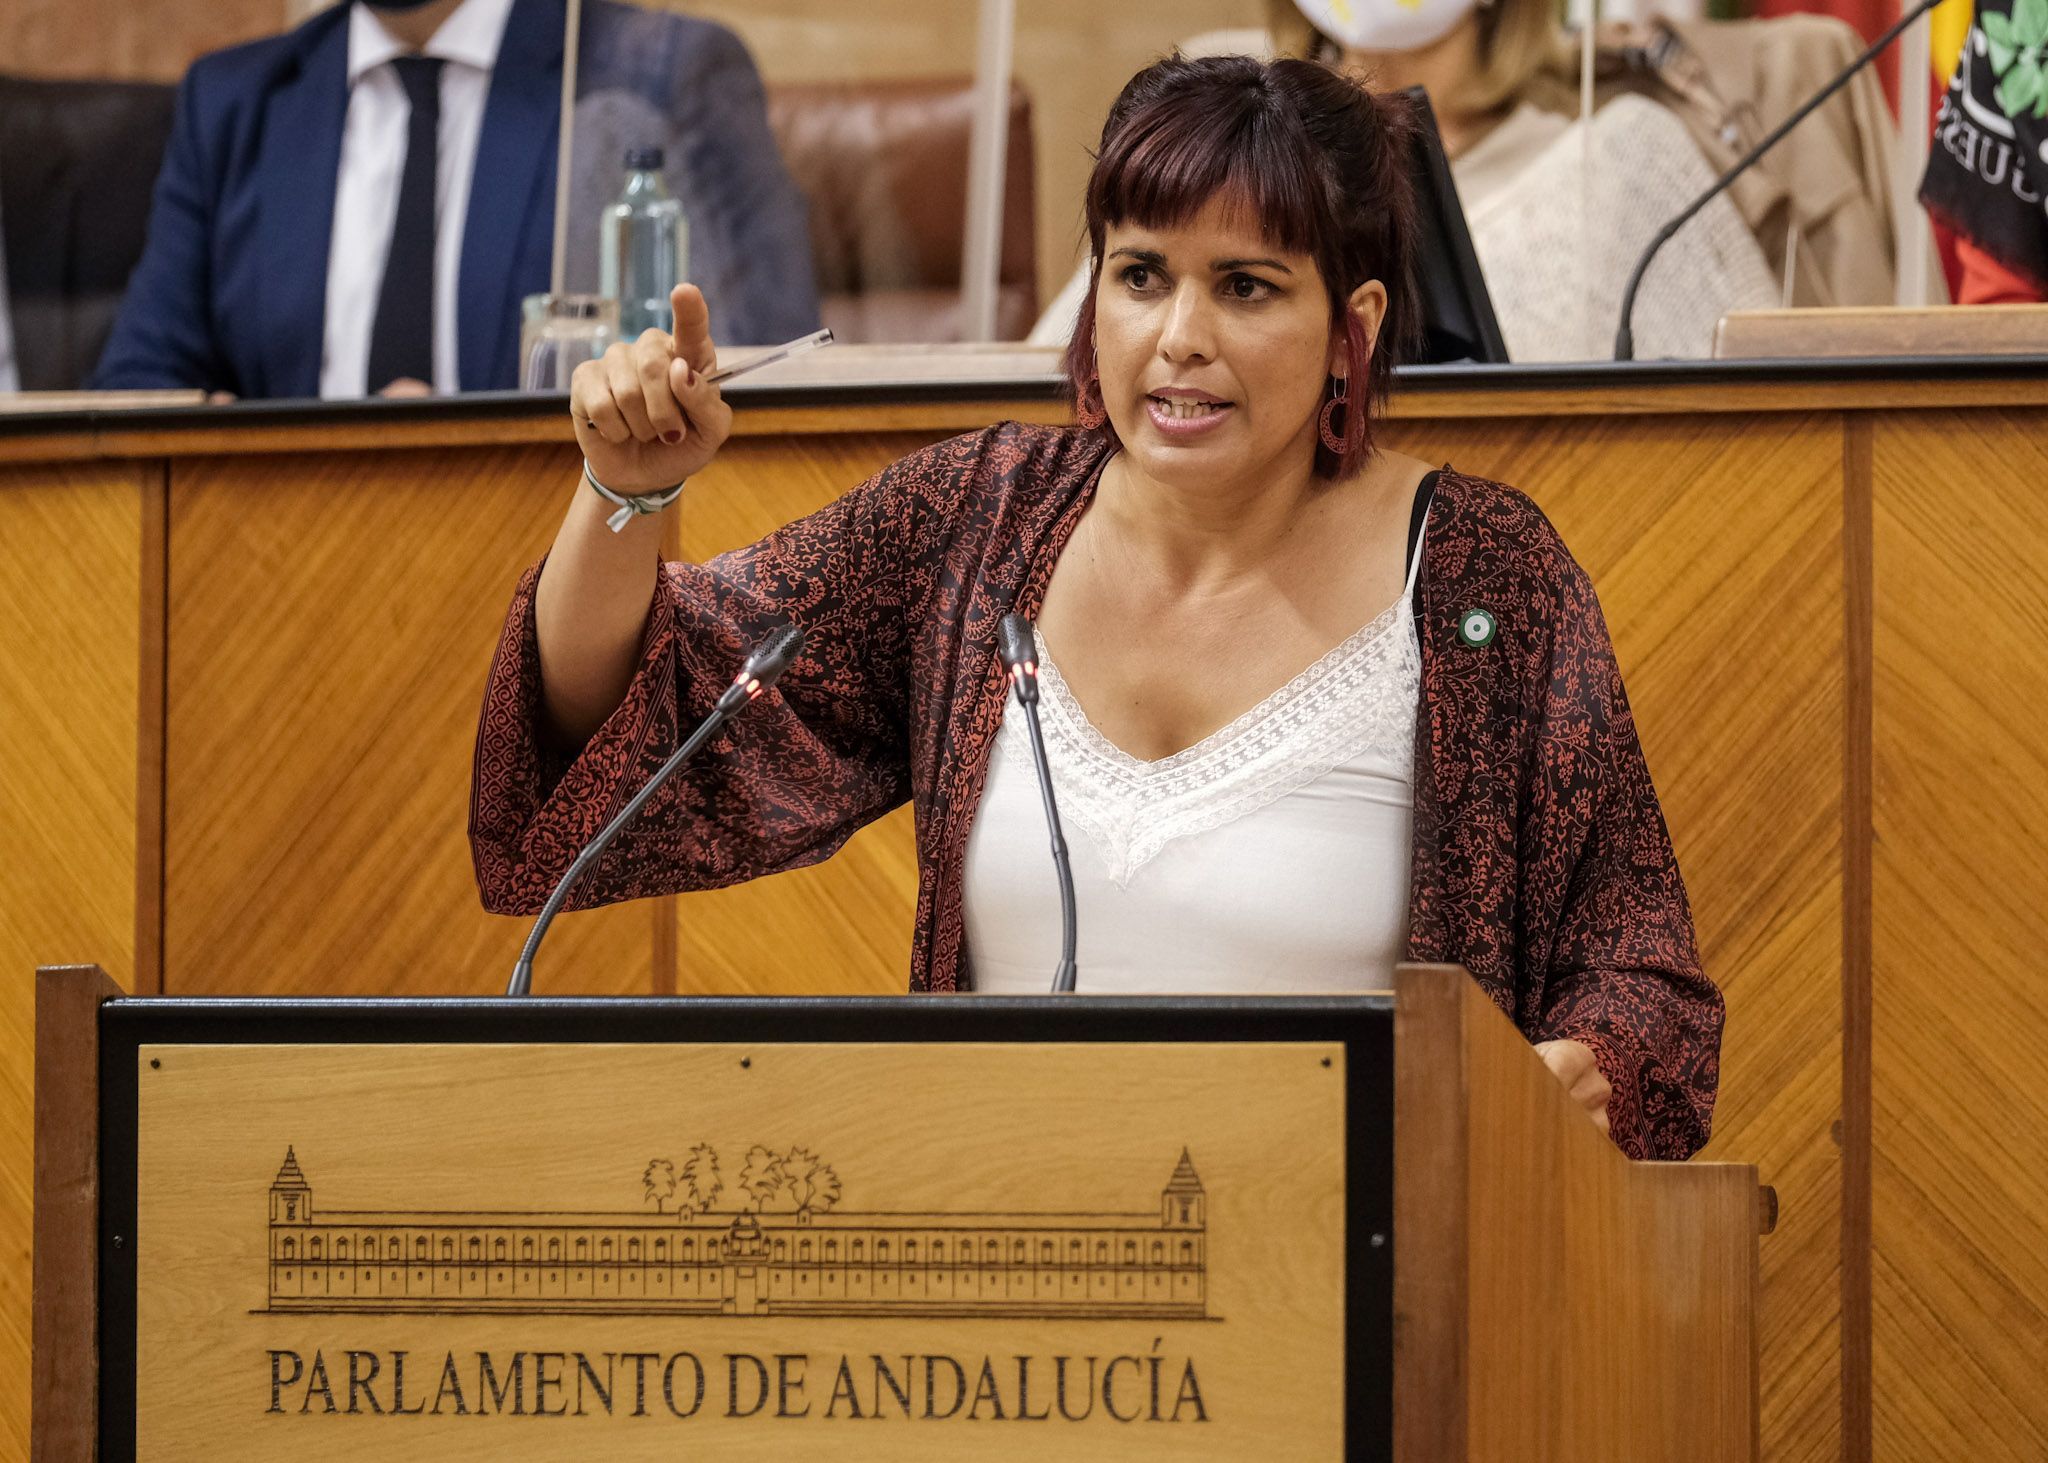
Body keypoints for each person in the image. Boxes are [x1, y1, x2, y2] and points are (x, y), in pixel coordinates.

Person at [471, 55, 1723, 1160]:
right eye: (1138, 275)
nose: (1177, 336)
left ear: (1353, 326)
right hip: (1016, 1277)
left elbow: (1639, 983)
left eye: (1244, 287)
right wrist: (621, 497)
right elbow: (617, 723)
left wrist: (1582, 1072)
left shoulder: (1480, 579)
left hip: (1356, 1282)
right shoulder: (977, 518)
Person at [90, 0, 818, 399]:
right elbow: (138, 389)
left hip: (568, 586)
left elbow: (768, 382)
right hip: (286, 585)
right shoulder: (233, 105)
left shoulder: (653, 73)